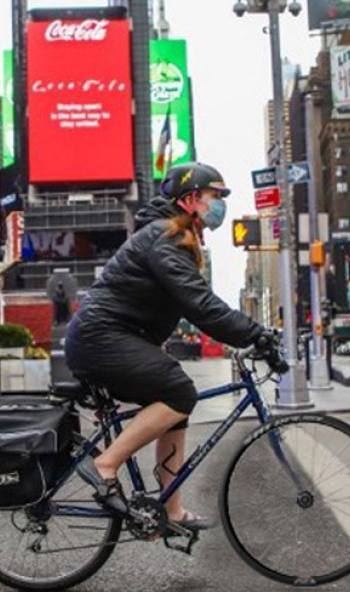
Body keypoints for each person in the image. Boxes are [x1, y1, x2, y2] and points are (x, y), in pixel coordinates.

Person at [66, 162, 273, 531]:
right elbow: (200, 305)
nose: (220, 204)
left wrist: (247, 333)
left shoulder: (175, 235)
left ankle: (170, 510)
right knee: (180, 391)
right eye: (214, 196)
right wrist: (255, 334)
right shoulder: (166, 236)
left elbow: (186, 305)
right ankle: (105, 465)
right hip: (101, 338)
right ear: (190, 199)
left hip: (109, 337)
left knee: (177, 406)